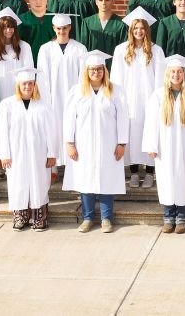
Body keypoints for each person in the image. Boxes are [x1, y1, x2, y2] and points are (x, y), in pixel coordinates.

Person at [62, 51, 129, 234]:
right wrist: (69, 143)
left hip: (109, 144)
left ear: (104, 71)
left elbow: (123, 118)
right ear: (87, 71)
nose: (96, 72)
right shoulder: (76, 91)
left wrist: (122, 143)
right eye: (92, 69)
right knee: (85, 181)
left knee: (107, 180)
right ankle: (87, 218)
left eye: (99, 69)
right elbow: (69, 118)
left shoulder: (115, 90)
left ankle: (106, 218)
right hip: (83, 144)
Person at [143, 55, 185, 234]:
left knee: (182, 180)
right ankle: (168, 216)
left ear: (184, 74)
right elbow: (151, 122)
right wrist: (151, 144)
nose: (176, 75)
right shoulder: (158, 95)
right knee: (165, 181)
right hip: (164, 147)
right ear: (168, 74)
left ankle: (181, 216)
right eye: (173, 71)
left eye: (179, 72)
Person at [110, 7, 165, 189]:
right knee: (131, 135)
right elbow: (116, 78)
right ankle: (134, 173)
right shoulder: (121, 51)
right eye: (135, 28)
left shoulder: (156, 51)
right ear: (131, 30)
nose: (139, 31)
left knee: (150, 134)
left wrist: (158, 100)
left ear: (147, 30)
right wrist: (117, 101)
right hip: (129, 100)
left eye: (142, 28)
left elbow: (160, 78)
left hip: (150, 100)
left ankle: (150, 172)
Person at [0, 67, 57, 231]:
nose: (27, 87)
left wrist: (52, 153)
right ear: (18, 84)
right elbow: (2, 131)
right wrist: (4, 155)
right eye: (24, 83)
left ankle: (40, 217)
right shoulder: (7, 105)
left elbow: (51, 131)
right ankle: (21, 216)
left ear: (35, 85)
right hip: (16, 154)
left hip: (39, 152)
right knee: (18, 182)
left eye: (30, 83)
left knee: (39, 183)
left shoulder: (44, 105)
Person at [0, 8, 34, 183]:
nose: (9, 30)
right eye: (5, 27)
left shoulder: (24, 47)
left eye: (11, 27)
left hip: (18, 93)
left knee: (17, 128)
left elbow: (29, 71)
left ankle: (18, 163)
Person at [36, 13, 87, 181]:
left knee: (74, 129)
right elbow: (42, 76)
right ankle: (54, 167)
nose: (62, 31)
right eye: (59, 28)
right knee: (54, 129)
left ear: (70, 28)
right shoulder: (45, 49)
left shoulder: (79, 48)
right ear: (54, 29)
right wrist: (45, 99)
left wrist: (80, 97)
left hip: (74, 97)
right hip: (52, 98)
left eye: (65, 28)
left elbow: (83, 75)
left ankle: (73, 165)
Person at [78, 0, 127, 67]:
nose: (104, 3)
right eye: (100, 0)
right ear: (96, 2)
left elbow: (123, 50)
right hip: (92, 68)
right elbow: (83, 48)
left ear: (112, 1)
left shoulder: (121, 24)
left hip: (114, 68)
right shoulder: (87, 22)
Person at [17, 0, 55, 64]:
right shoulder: (21, 20)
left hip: (52, 64)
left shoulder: (55, 19)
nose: (38, 2)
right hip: (28, 63)